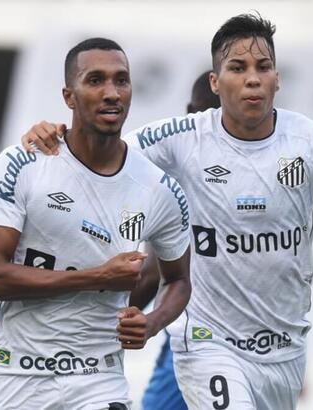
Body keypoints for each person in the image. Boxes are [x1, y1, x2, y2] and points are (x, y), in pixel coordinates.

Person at [21, 13, 313, 410]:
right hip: (208, 342)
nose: (252, 79)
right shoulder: (180, 138)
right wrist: (51, 135)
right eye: (238, 68)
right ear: (215, 82)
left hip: (285, 351)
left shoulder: (311, 144)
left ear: (278, 79)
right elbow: (96, 155)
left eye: (262, 68)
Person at [0, 38, 191, 410]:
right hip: (16, 376)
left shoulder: (159, 189)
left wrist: (153, 322)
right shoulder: (22, 164)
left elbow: (179, 279)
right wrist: (97, 278)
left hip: (98, 380)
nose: (111, 92)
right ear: (68, 96)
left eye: (121, 80)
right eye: (95, 80)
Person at [132, 70, 220, 410]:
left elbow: (153, 275)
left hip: (194, 344)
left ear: (188, 112)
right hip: (258, 346)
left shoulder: (174, 183)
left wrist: (95, 324)